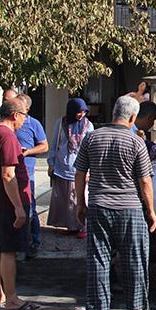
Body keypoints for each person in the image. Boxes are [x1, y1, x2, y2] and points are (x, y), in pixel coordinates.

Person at [74, 96, 156, 310]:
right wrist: (150, 210)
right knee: (134, 258)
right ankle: (136, 307)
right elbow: (145, 181)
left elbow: (79, 174)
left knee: (98, 258)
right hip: (130, 208)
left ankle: (99, 309)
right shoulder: (136, 142)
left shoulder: (91, 138)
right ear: (132, 117)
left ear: (113, 113)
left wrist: (80, 203)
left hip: (99, 206)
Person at [0, 98, 40, 310]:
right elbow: (8, 174)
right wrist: (18, 207)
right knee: (8, 250)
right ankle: (12, 298)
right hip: (6, 203)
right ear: (15, 115)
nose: (25, 120)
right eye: (24, 116)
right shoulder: (7, 137)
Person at [47, 98, 93, 238]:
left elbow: (91, 148)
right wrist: (51, 163)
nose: (81, 115)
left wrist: (90, 169)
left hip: (80, 168)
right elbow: (55, 143)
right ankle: (69, 226)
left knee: (78, 198)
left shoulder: (88, 125)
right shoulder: (61, 123)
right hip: (62, 167)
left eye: (83, 111)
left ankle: (81, 227)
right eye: (78, 112)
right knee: (63, 198)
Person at [13, 94, 48, 258]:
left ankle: (34, 241)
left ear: (26, 108)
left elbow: (44, 146)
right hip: (9, 173)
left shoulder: (34, 124)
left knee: (30, 208)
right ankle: (15, 243)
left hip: (27, 173)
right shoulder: (8, 123)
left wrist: (28, 151)